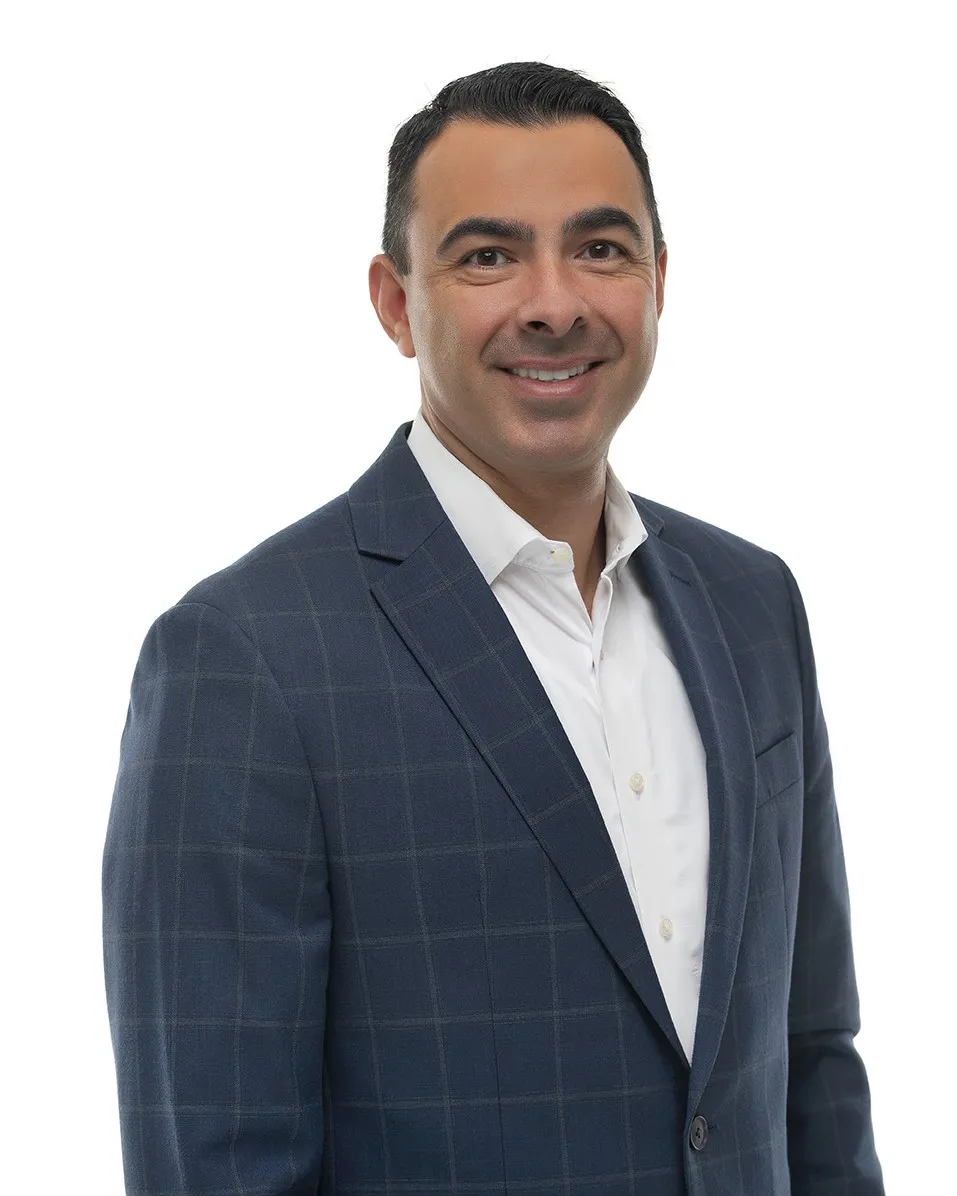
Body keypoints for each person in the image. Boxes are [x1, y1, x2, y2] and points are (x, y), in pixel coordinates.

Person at [102, 60, 883, 1195]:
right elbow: (215, 1163)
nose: (554, 300)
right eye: (488, 255)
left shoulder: (754, 604)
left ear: (660, 280)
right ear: (394, 300)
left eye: (601, 249)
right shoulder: (246, 660)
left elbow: (813, 1060)